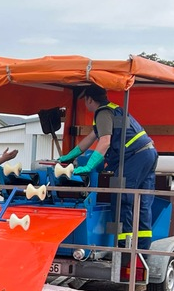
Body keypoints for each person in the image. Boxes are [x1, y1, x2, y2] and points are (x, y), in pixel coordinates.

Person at [57, 85, 159, 249]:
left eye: (85, 101)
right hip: (148, 154)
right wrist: (69, 156)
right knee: (142, 202)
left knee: (121, 199)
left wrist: (89, 165)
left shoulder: (103, 113)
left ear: (90, 99)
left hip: (134, 157)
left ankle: (123, 249)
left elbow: (105, 141)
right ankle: (142, 250)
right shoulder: (113, 110)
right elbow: (91, 138)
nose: (85, 104)